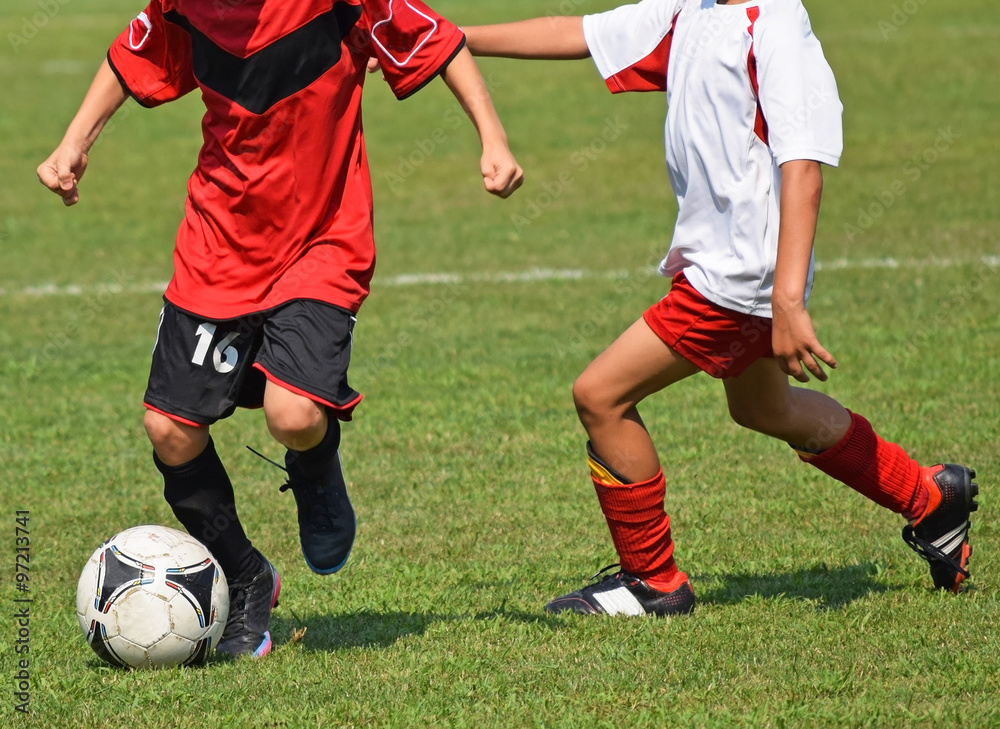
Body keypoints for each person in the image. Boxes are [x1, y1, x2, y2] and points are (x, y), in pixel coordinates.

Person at [38, 0, 523, 657]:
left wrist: (492, 138)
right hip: (218, 240)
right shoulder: (184, 4)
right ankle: (244, 575)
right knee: (170, 430)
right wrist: (73, 142)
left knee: (293, 415)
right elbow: (135, 55)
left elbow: (437, 41)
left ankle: (317, 472)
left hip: (322, 240)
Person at [463, 0, 978, 616]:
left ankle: (652, 581)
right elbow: (574, 32)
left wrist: (786, 299)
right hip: (735, 268)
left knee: (600, 395)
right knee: (765, 407)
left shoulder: (778, 24)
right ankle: (930, 496)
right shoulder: (688, 11)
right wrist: (449, 39)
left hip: (742, 276)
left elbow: (803, 166)